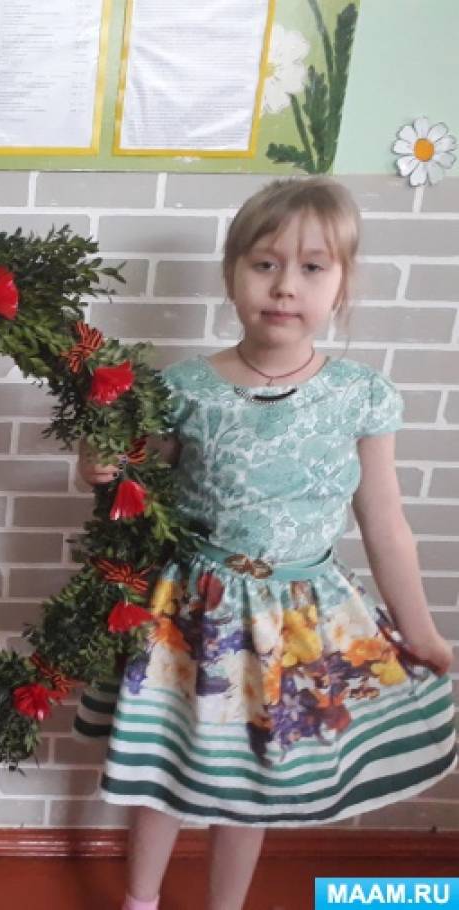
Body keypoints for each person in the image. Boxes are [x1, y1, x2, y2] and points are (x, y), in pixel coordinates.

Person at [76, 177, 456, 910]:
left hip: (300, 621)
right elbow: (137, 495)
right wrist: (97, 465)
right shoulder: (183, 389)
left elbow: (385, 524)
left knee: (254, 778)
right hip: (194, 614)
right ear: (232, 275)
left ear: (342, 285)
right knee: (164, 771)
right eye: (264, 264)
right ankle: (139, 900)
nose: (285, 286)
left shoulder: (359, 396)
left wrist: (422, 632)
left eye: (312, 267)